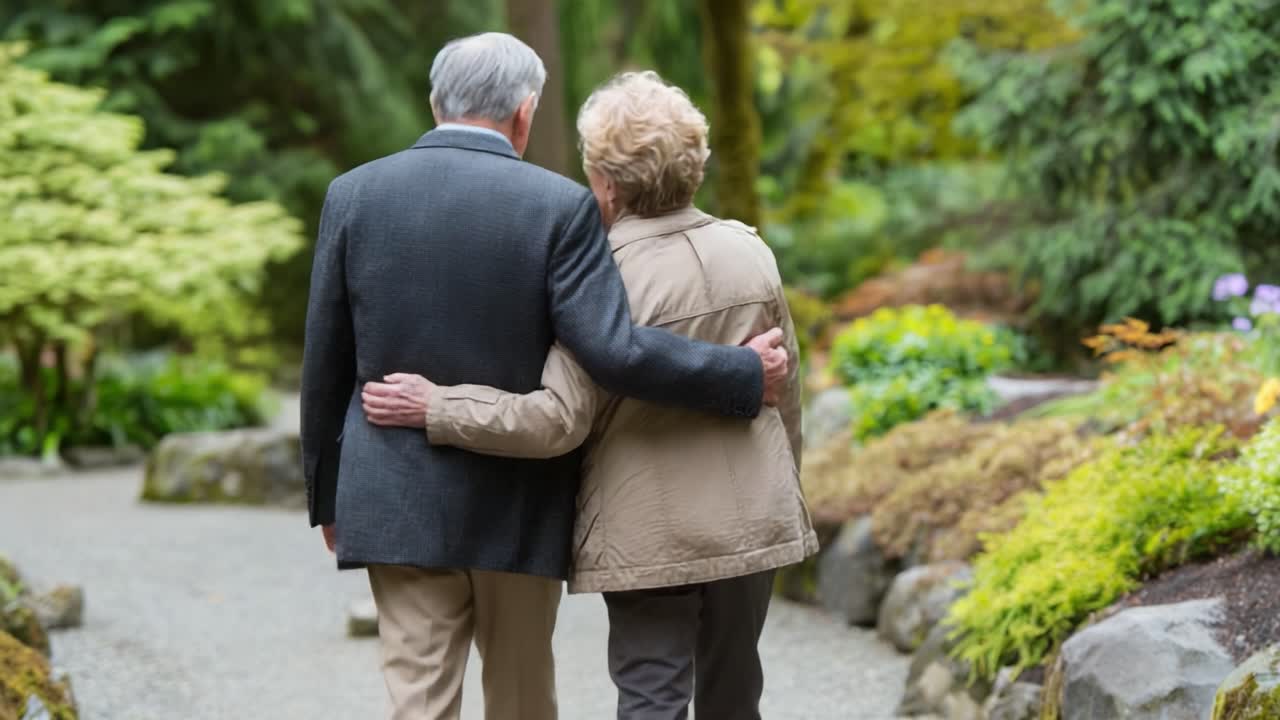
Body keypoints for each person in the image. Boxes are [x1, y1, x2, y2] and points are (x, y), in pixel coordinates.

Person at [300, 34, 789, 720]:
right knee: (522, 695)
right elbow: (613, 350)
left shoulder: (353, 193)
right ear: (525, 112)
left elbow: (325, 357)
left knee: (416, 695)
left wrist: (327, 495)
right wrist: (743, 372)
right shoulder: (560, 207)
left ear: (436, 102)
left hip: (393, 493)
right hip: (518, 504)